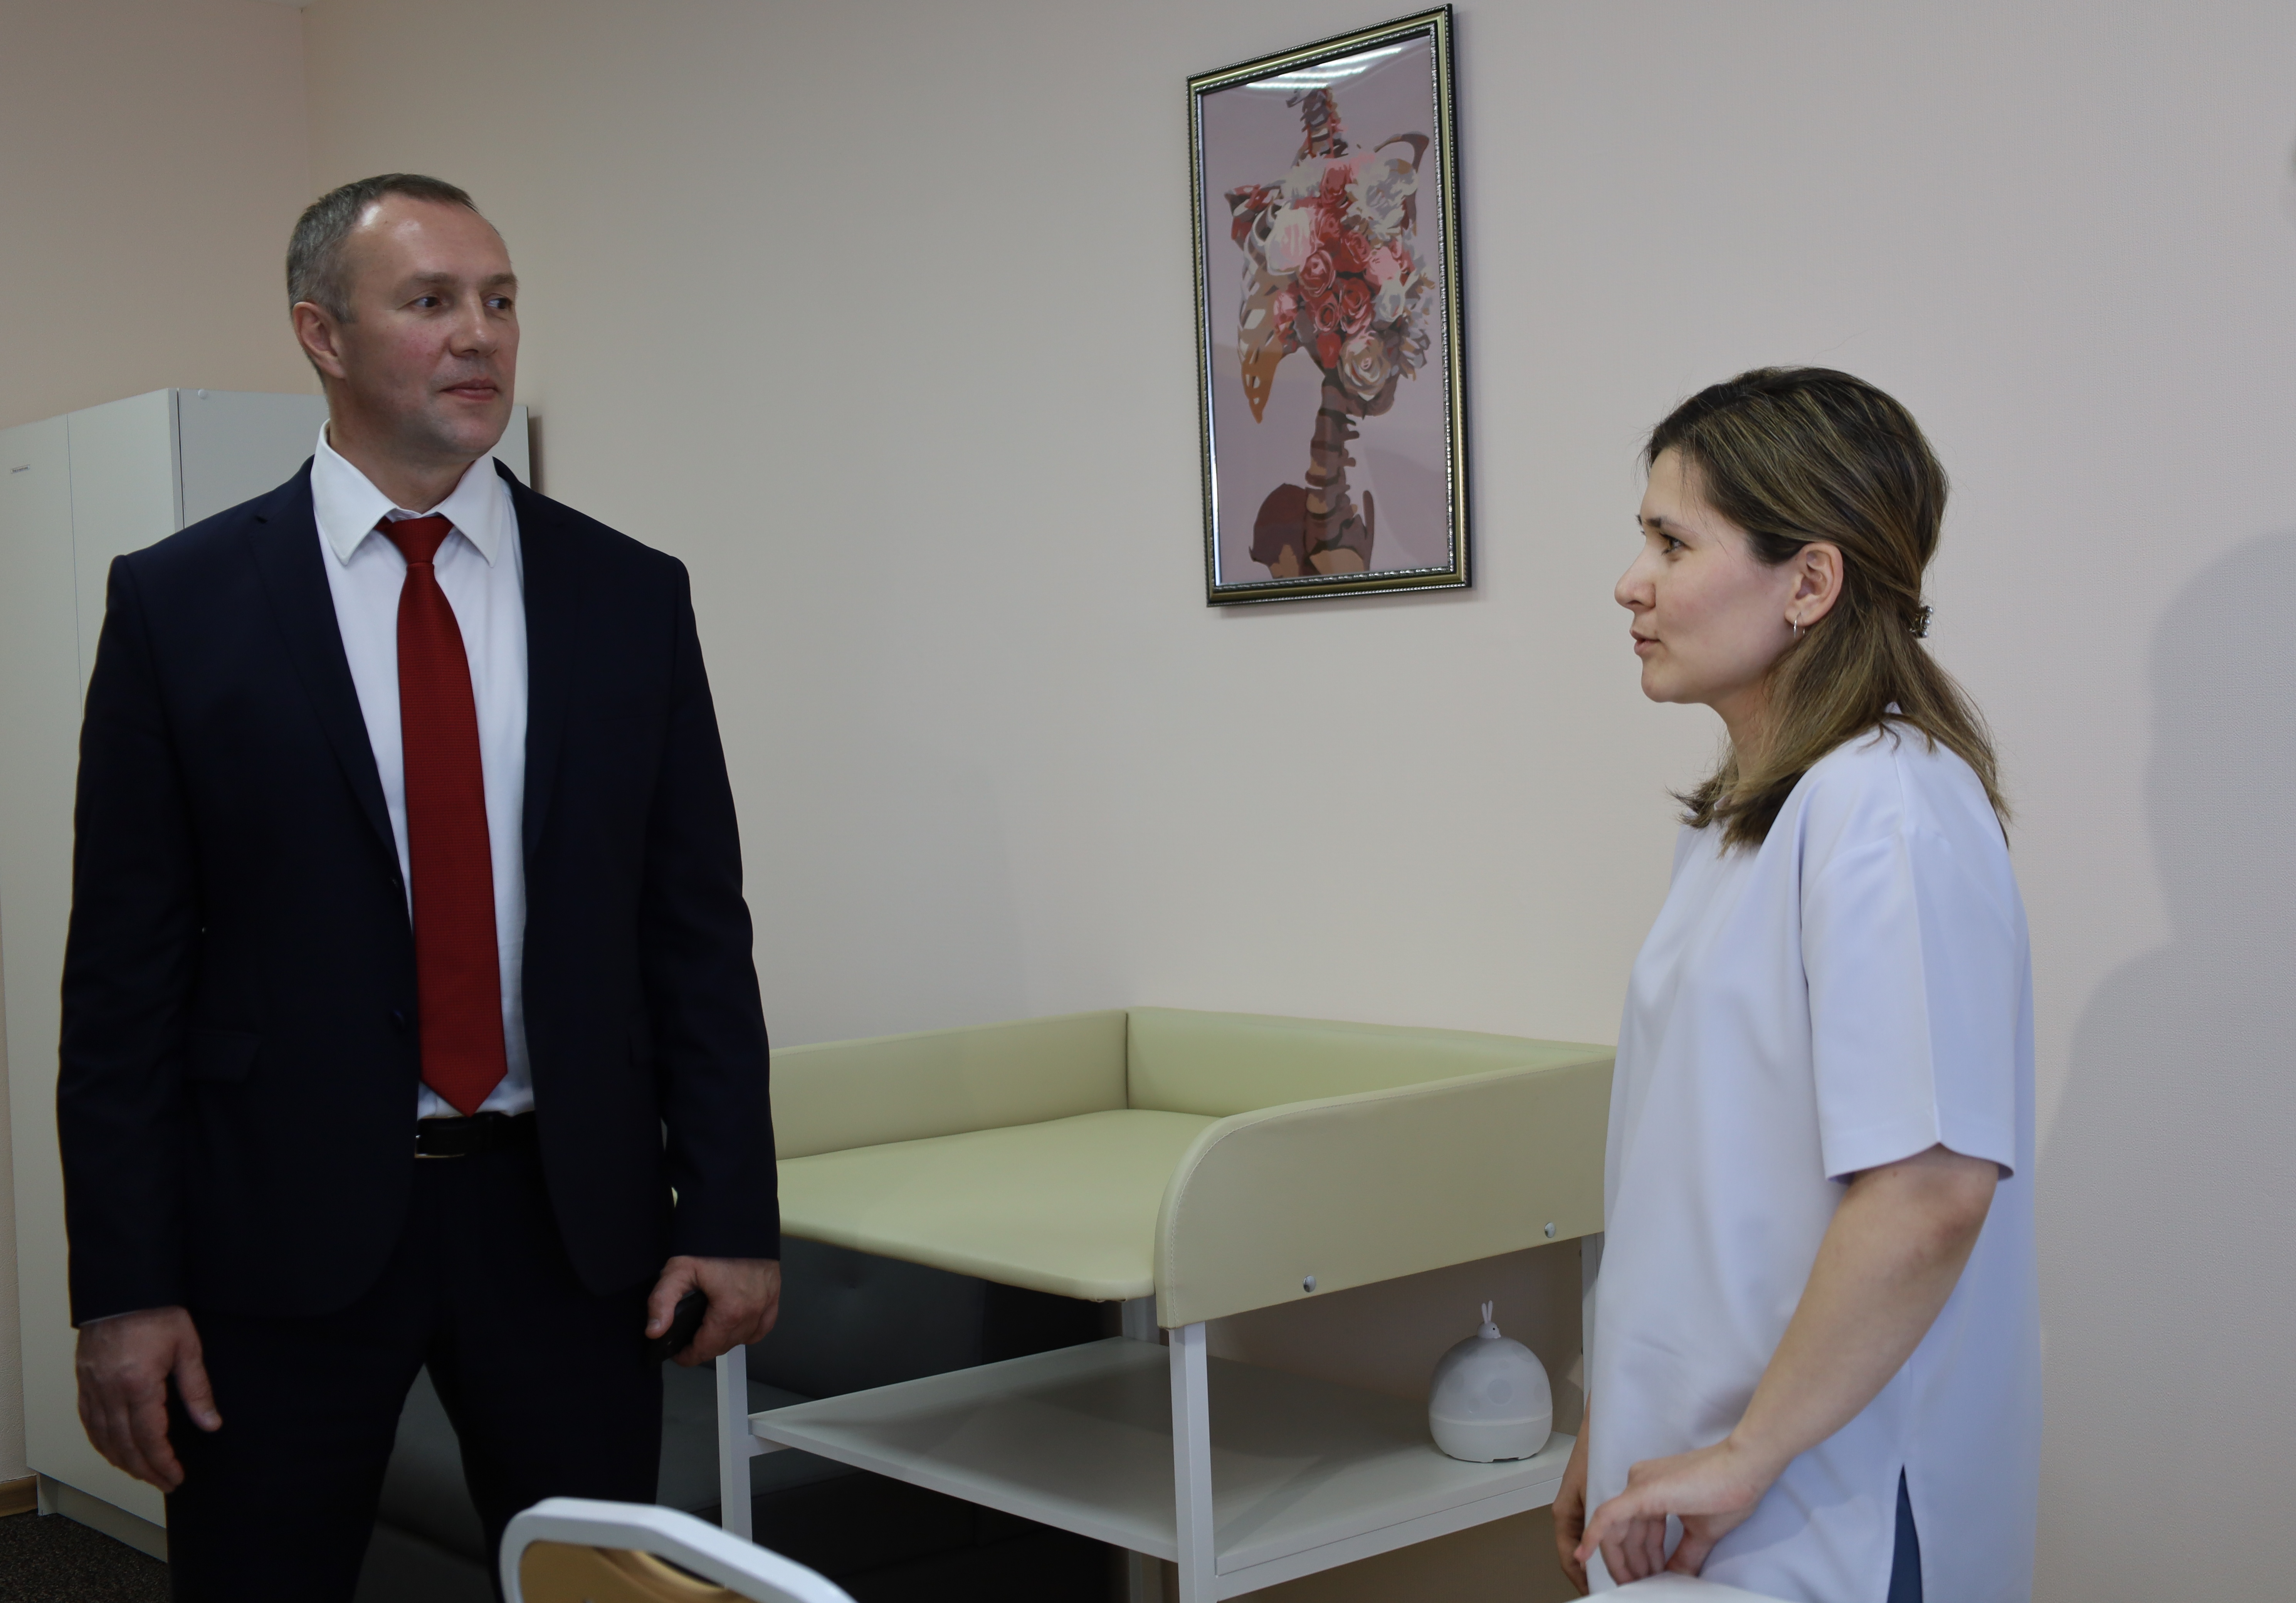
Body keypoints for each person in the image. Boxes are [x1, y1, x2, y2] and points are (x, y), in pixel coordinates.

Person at [60, 173, 783, 1601]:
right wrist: (126, 1288)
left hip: (565, 1226)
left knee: (589, 1586)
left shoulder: (630, 595)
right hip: (279, 1228)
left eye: (500, 300)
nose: (480, 334)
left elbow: (695, 930)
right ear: (321, 335)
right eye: (432, 301)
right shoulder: (179, 605)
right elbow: (124, 983)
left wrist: (731, 1214)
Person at [1552, 369, 2039, 1601]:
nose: (1631, 582)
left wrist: (1743, 1457)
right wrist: (1616, 1415)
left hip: (1826, 1511)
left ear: (1810, 583)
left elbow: (1929, 1193)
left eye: (1672, 542)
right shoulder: (1754, 822)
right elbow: (1700, 1181)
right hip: (1702, 1482)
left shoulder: (1888, 808)